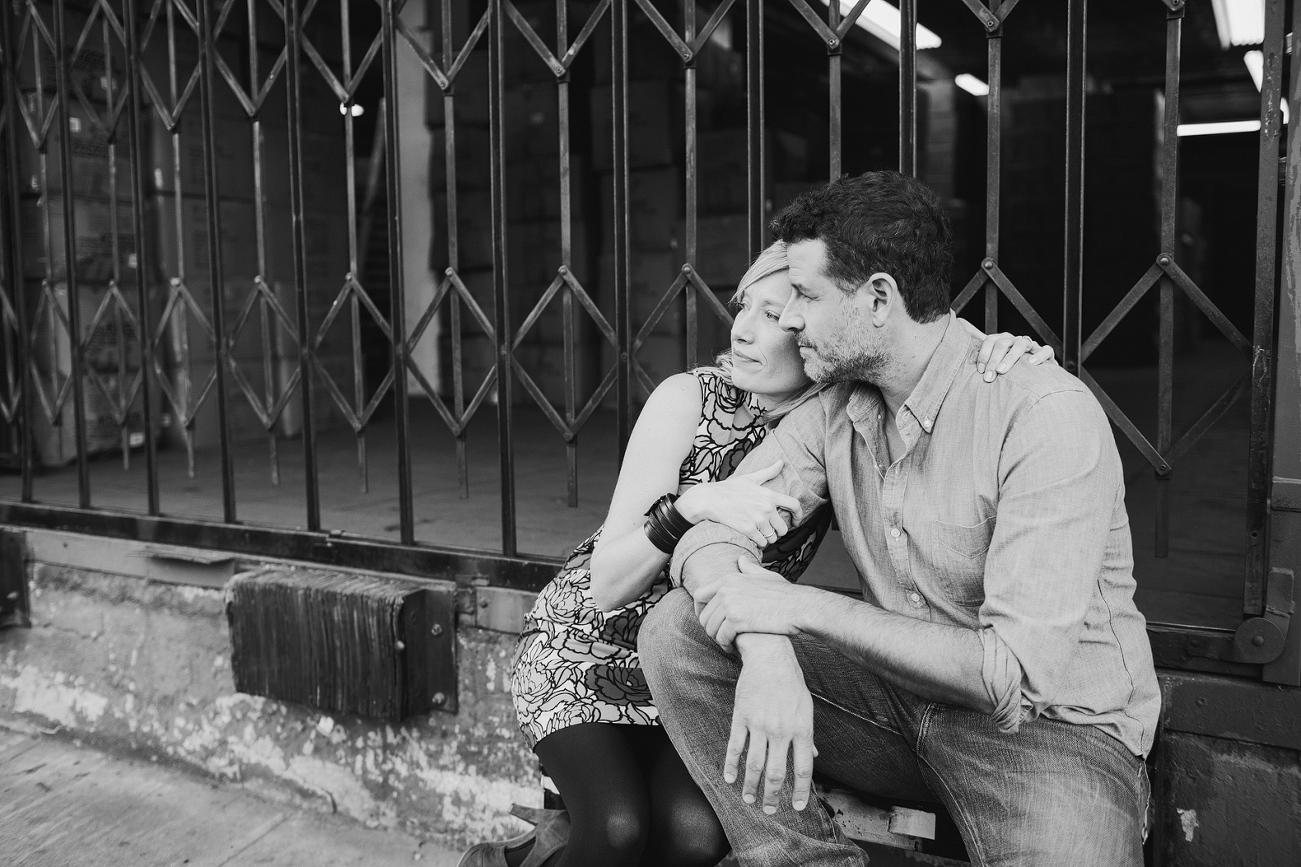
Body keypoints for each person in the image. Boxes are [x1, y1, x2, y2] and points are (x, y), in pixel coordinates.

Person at [457, 241, 1053, 867]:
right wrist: (693, 506)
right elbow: (604, 583)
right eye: (745, 307)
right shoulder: (690, 400)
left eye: (774, 317)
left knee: (693, 838)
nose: (741, 331)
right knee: (617, 831)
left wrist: (1001, 352)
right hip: (586, 653)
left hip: (700, 664)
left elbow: (922, 350)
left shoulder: (842, 416)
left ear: (818, 333)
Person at [637, 172, 1161, 867]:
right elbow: (709, 533)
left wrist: (795, 606)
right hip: (892, 709)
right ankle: (802, 859)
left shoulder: (1040, 412)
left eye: (806, 295)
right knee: (680, 629)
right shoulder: (835, 407)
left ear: (879, 297)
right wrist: (765, 649)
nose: (789, 319)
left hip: (1049, 734)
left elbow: (1008, 675)